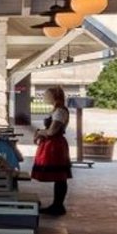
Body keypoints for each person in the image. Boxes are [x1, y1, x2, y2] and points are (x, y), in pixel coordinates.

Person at [32, 86, 73, 216]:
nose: (44, 97)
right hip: (54, 143)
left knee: (60, 176)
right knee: (59, 177)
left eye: (47, 95)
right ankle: (57, 204)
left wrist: (39, 132)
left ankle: (58, 205)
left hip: (55, 145)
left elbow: (52, 131)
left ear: (54, 96)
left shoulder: (60, 111)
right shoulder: (57, 110)